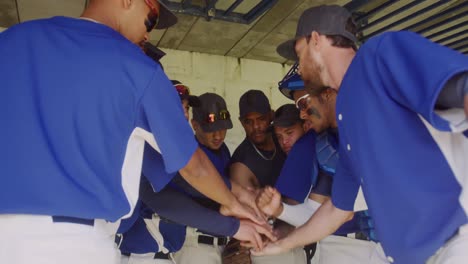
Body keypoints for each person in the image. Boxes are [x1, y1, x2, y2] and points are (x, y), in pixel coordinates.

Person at [0, 1, 260, 263]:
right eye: (152, 18)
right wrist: (234, 206)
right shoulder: (137, 66)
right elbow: (193, 168)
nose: (148, 34)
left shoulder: (12, 40)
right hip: (74, 244)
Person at [255, 4, 468, 263]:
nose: (299, 67)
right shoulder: (347, 113)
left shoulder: (379, 55)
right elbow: (338, 209)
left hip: (456, 241)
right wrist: (282, 244)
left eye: (299, 54)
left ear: (315, 40)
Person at [259, 74, 388, 264]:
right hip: (345, 249)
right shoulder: (325, 145)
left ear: (328, 94)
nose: (302, 114)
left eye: (303, 103)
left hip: (402, 247)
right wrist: (280, 210)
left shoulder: (377, 127)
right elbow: (323, 213)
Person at [230, 91, 304, 264]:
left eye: (261, 119)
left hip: (299, 241)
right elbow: (250, 222)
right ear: (241, 122)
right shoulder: (241, 164)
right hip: (270, 249)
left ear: (270, 116)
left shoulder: (284, 141)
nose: (256, 127)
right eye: (249, 122)